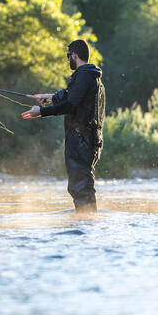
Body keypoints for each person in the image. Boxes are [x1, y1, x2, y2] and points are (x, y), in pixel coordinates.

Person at [21, 39, 105, 212]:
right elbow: (72, 96)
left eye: (68, 56)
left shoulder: (83, 75)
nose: (68, 60)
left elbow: (70, 105)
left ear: (74, 55)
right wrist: (50, 97)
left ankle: (85, 224)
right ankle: (87, 222)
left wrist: (41, 112)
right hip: (87, 140)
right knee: (81, 184)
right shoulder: (91, 76)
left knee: (79, 185)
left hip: (81, 140)